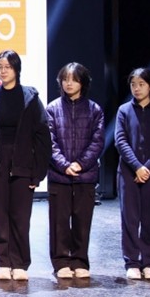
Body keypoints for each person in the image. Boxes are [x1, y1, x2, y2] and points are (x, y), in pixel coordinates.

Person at [0, 50, 51, 281]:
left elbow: (42, 135)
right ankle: (3, 262)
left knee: (21, 217)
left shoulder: (30, 97)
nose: (3, 70)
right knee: (1, 215)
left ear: (17, 69)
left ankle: (19, 263)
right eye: (0, 66)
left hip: (23, 162)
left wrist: (38, 173)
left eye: (8, 66)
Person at [45, 62, 105, 279]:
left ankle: (80, 260)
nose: (69, 83)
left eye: (74, 79)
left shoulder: (94, 110)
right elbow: (49, 142)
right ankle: (61, 262)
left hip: (85, 175)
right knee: (59, 222)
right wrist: (64, 165)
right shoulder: (52, 109)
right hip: (59, 175)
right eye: (65, 79)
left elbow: (97, 141)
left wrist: (80, 164)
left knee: (82, 221)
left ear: (83, 83)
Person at [114, 67, 150, 280]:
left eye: (141, 84)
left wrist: (147, 167)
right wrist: (137, 166)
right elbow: (120, 140)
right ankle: (131, 262)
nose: (136, 89)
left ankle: (149, 262)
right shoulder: (124, 110)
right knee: (130, 218)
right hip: (128, 172)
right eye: (133, 85)